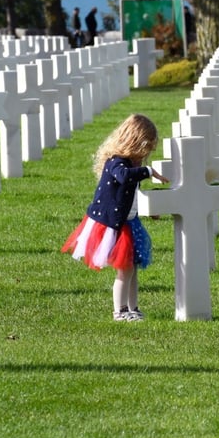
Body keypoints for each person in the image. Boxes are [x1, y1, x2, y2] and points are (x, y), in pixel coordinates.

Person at [61, 114, 170, 321]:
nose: (145, 156)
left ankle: (133, 308)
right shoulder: (116, 163)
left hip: (128, 222)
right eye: (145, 151)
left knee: (132, 269)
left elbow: (131, 194)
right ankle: (119, 311)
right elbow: (124, 178)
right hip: (113, 225)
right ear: (134, 142)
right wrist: (148, 171)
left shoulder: (129, 166)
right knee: (125, 270)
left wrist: (150, 210)